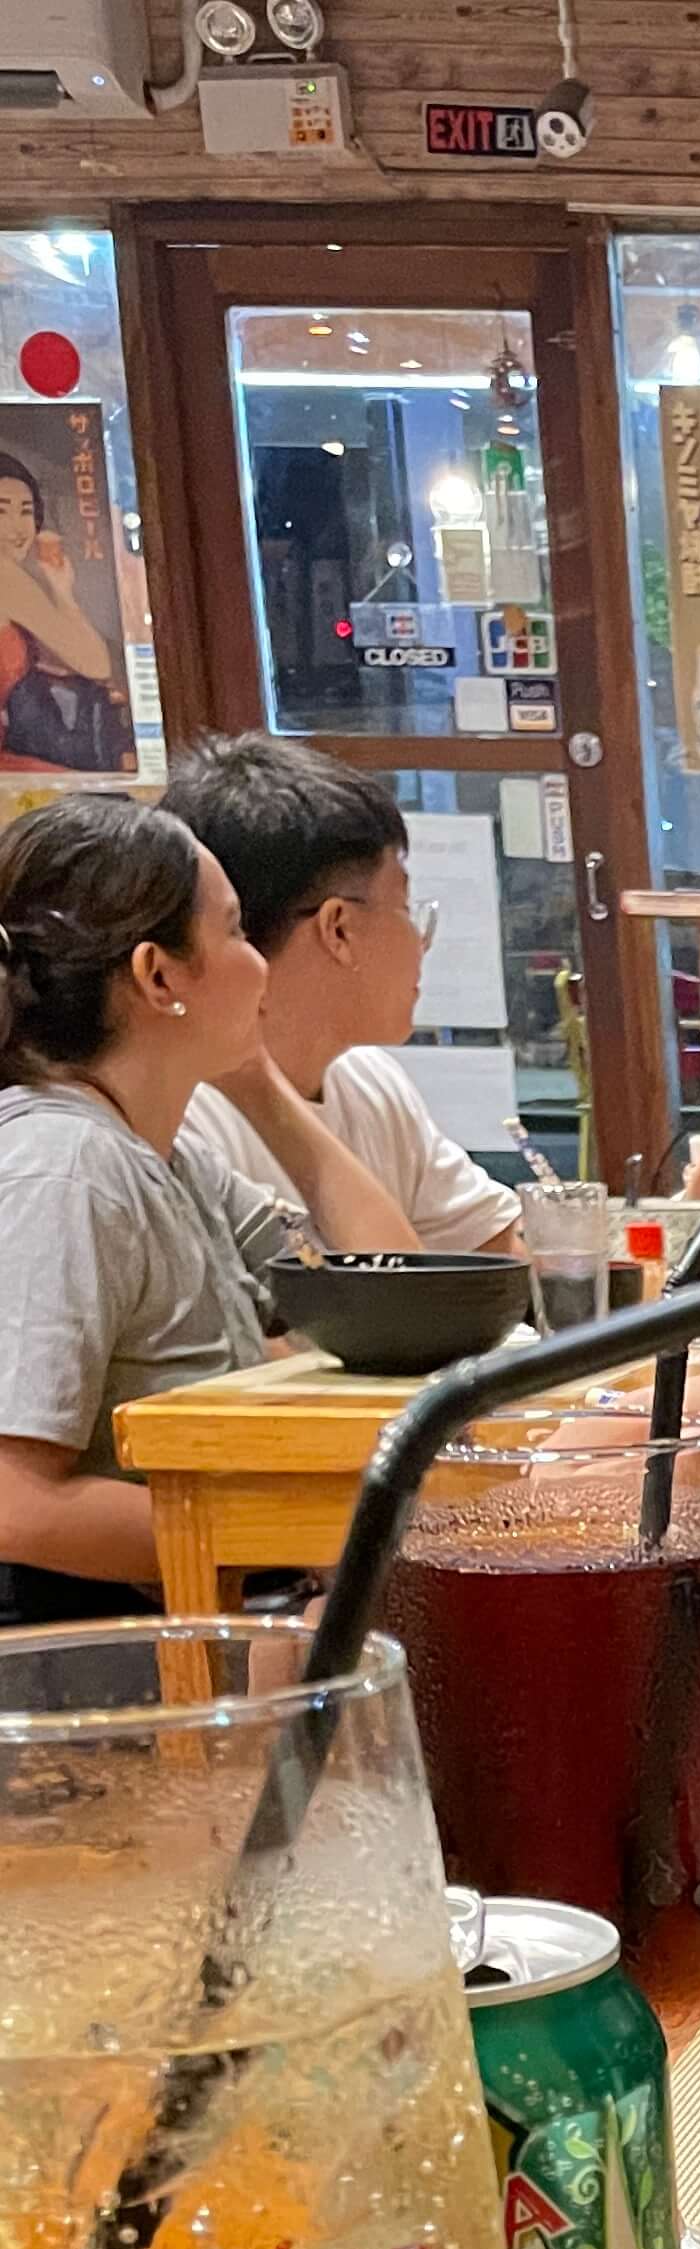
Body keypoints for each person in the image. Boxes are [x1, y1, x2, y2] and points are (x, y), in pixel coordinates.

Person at [0, 795, 428, 1621]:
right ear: (159, 978)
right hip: (108, 1668)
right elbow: (15, 1504)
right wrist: (306, 1537)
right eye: (234, 932)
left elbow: (395, 1305)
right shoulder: (63, 1169)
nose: (259, 964)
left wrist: (262, 1089)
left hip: (235, 1611)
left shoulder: (169, 1156)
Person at [161, 737, 523, 1253]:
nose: (422, 941)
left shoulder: (370, 1082)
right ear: (339, 929)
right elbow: (381, 1313)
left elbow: (503, 1269)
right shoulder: (178, 1119)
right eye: (406, 906)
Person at [0, 448, 128, 775]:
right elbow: (95, 663)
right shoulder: (6, 578)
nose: (18, 528)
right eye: (2, 512)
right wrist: (63, 594)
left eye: (26, 512)